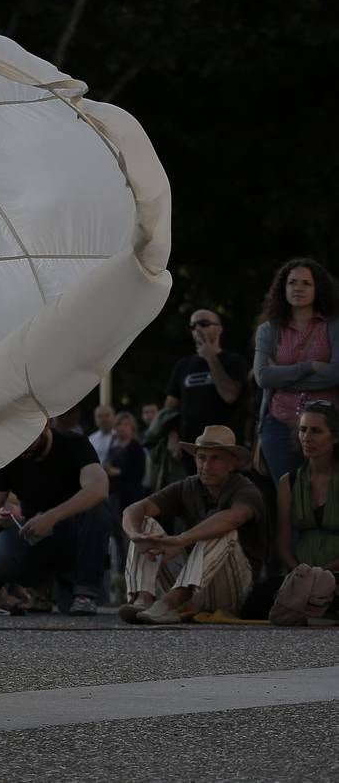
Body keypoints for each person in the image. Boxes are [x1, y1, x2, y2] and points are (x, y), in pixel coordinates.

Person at [119, 425, 266, 625]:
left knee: (222, 531)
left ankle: (170, 603)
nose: (206, 465)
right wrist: (136, 535)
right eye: (202, 457)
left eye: (215, 458)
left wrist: (180, 540)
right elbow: (136, 508)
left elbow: (234, 517)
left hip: (233, 590)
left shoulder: (246, 490)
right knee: (144, 524)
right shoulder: (189, 485)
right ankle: (143, 598)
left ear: (232, 463)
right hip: (194, 587)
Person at [0, 422, 113, 615]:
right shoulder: (11, 453)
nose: (23, 447)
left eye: (28, 440)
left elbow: (99, 489)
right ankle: (40, 587)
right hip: (36, 534)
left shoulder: (74, 443)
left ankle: (84, 592)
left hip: (75, 531)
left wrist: (51, 517)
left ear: (45, 425)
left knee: (98, 507)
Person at [253, 258, 339, 486]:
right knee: (287, 497)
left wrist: (281, 377)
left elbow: (336, 374)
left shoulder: (333, 326)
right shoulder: (268, 330)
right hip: (279, 426)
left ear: (317, 288)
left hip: (328, 427)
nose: (298, 288)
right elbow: (262, 377)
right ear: (284, 288)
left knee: (327, 497)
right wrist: (308, 367)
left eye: (305, 283)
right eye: (292, 282)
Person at [165, 308, 248, 471]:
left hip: (225, 448)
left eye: (203, 324)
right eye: (192, 326)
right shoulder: (183, 365)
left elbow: (230, 396)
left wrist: (210, 357)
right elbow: (169, 408)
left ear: (219, 328)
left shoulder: (234, 361)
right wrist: (172, 436)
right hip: (191, 449)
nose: (197, 329)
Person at [276, 401, 339, 573]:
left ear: (335, 437)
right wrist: (301, 572)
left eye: (316, 431)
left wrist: (323, 573)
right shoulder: (288, 482)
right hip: (301, 575)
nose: (307, 437)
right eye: (303, 430)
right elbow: (283, 542)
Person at [105, 411, 146, 575]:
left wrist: (118, 472)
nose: (122, 428)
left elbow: (139, 473)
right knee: (116, 537)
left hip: (130, 498)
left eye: (125, 424)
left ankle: (132, 573)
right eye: (119, 424)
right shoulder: (113, 447)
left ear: (132, 427)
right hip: (114, 496)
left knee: (128, 537)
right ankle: (120, 575)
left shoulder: (136, 448)